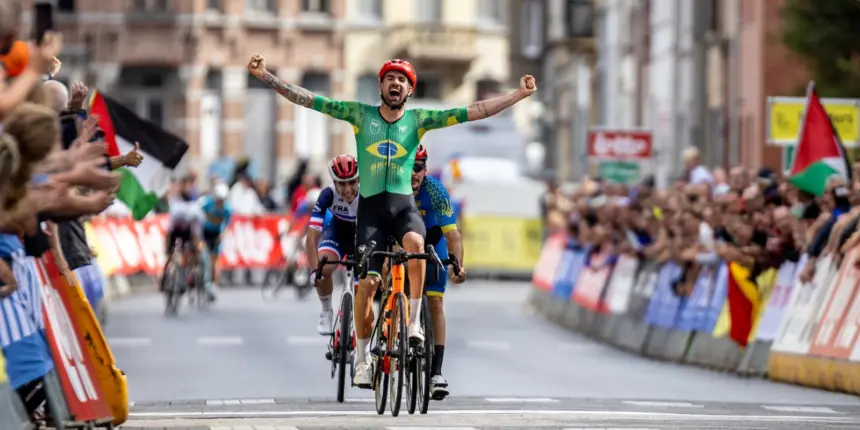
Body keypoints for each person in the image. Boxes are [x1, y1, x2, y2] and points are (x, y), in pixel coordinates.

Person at [248, 53, 537, 388]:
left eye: (403, 80)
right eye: (390, 79)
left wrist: (518, 95)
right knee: (367, 285)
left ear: (409, 90)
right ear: (381, 85)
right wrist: (266, 76)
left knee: (415, 246)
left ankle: (413, 324)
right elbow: (312, 100)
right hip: (371, 212)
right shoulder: (360, 115)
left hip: (403, 209)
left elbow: (473, 111)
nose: (396, 84)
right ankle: (361, 361)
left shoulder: (419, 119)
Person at [410, 144, 466, 400]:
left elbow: (452, 235)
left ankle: (436, 373)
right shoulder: (393, 187)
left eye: (418, 168)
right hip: (403, 243)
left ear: (425, 169)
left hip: (434, 244)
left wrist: (458, 265)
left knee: (435, 303)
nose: (413, 174)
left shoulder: (435, 190)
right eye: (408, 167)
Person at [307, 154, 359, 335]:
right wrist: (315, 271)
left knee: (367, 287)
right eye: (341, 184)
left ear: (359, 179)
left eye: (352, 182)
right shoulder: (328, 194)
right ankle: (326, 310)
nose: (347, 189)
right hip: (337, 233)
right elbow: (312, 235)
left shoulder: (368, 193)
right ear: (334, 183)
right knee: (323, 266)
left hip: (361, 236)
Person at [161, 186, 205, 292]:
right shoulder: (176, 212)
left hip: (187, 232)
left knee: (187, 252)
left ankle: (183, 276)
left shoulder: (194, 213)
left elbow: (195, 234)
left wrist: (196, 246)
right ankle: (164, 277)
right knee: (170, 255)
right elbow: (169, 232)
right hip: (175, 231)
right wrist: (167, 248)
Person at [199, 182, 231, 301]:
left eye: (222, 200)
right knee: (203, 256)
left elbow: (227, 224)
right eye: (218, 199)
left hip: (215, 234)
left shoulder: (227, 209)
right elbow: (197, 213)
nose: (220, 202)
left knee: (214, 260)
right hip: (203, 231)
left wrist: (223, 234)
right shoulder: (207, 203)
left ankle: (213, 284)